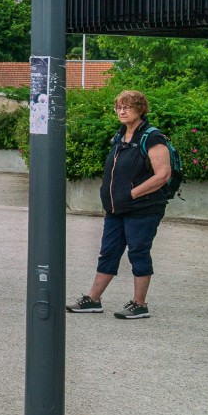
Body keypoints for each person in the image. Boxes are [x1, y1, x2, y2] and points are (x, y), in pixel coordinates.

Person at [67, 90, 172, 320]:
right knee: (108, 252)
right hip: (116, 209)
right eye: (119, 107)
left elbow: (163, 174)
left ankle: (139, 304)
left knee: (138, 252)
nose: (122, 111)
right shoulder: (120, 136)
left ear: (140, 109)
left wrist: (132, 194)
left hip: (143, 209)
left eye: (128, 107)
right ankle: (93, 300)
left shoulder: (151, 137)